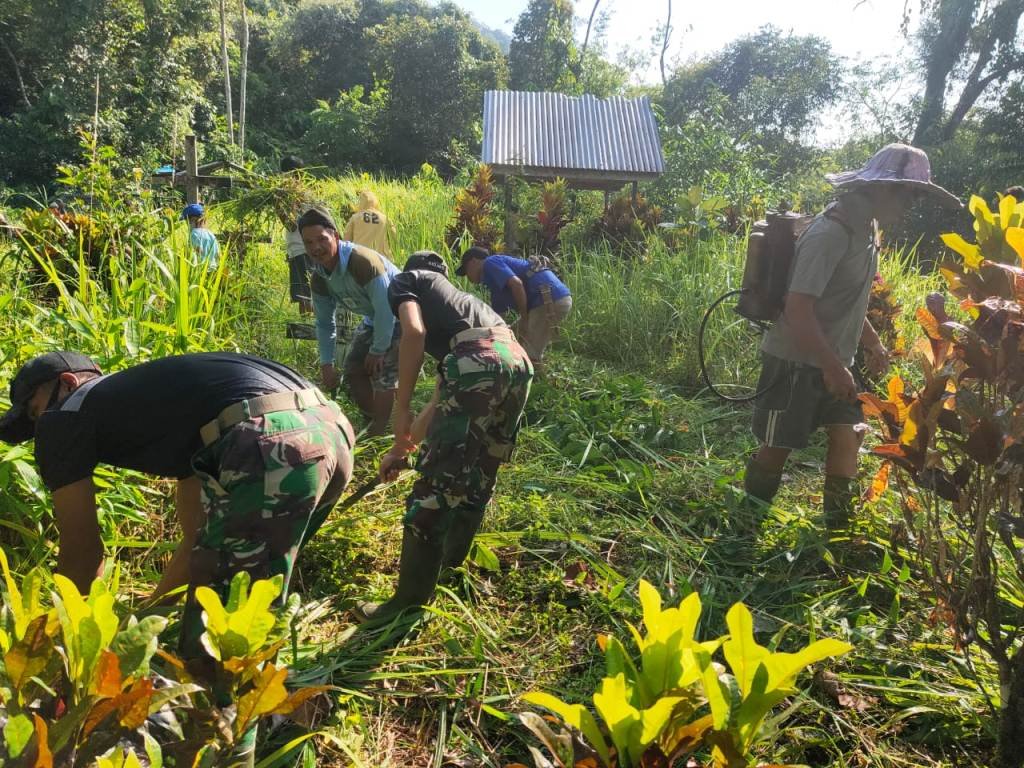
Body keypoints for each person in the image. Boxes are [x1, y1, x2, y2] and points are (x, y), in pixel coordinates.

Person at [0, 350, 354, 652]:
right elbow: (197, 541)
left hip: (275, 442)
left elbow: (82, 554)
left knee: (221, 638)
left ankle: (221, 723)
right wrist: (143, 621)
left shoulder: (64, 416)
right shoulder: (170, 406)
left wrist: (56, 644)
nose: (39, 428)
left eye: (35, 411)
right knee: (251, 601)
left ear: (68, 383)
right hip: (329, 428)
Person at [743, 143, 960, 530]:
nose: (910, 204)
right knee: (778, 448)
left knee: (850, 436)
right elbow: (798, 308)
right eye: (906, 193)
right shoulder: (831, 233)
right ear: (878, 188)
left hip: (834, 363)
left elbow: (849, 302)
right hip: (795, 362)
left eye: (915, 194)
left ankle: (837, 534)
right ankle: (745, 525)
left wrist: (872, 344)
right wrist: (832, 366)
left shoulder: (866, 232)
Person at [353, 251, 534, 622]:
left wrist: (400, 408)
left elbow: (414, 334)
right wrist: (403, 449)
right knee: (480, 474)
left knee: (436, 488)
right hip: (517, 361)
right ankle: (450, 571)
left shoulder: (408, 281)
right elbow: (443, 399)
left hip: (476, 363)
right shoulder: (466, 308)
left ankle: (407, 603)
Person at [299, 206, 402, 436]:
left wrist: (378, 350)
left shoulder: (362, 262)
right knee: (354, 369)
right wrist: (327, 364)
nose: (316, 248)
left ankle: (379, 434)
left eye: (322, 239)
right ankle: (375, 421)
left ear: (335, 235)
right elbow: (325, 324)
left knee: (382, 371)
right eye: (309, 243)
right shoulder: (320, 278)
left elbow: (387, 308)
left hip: (401, 314)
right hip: (374, 319)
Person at [455, 246, 572, 367]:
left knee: (529, 354)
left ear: (474, 261)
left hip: (548, 300)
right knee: (512, 337)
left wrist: (525, 318)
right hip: (547, 301)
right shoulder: (493, 281)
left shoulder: (490, 263)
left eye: (466, 270)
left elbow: (517, 284)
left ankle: (535, 380)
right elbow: (497, 318)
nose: (467, 277)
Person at [280, 156, 313, 315]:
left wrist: (280, 207)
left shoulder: (296, 195)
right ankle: (304, 329)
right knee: (302, 295)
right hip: (298, 250)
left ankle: (312, 330)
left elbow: (291, 224)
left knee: (307, 294)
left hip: (302, 249)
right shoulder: (304, 193)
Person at [343, 190, 395, 257]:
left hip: (359, 258)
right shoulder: (385, 219)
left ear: (361, 202)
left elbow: (346, 241)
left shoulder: (355, 218)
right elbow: (394, 239)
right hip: (382, 260)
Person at [181, 202, 220, 270]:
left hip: (200, 270)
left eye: (187, 222)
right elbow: (217, 254)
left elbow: (195, 254)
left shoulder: (194, 234)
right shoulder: (210, 234)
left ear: (192, 220)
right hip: (213, 269)